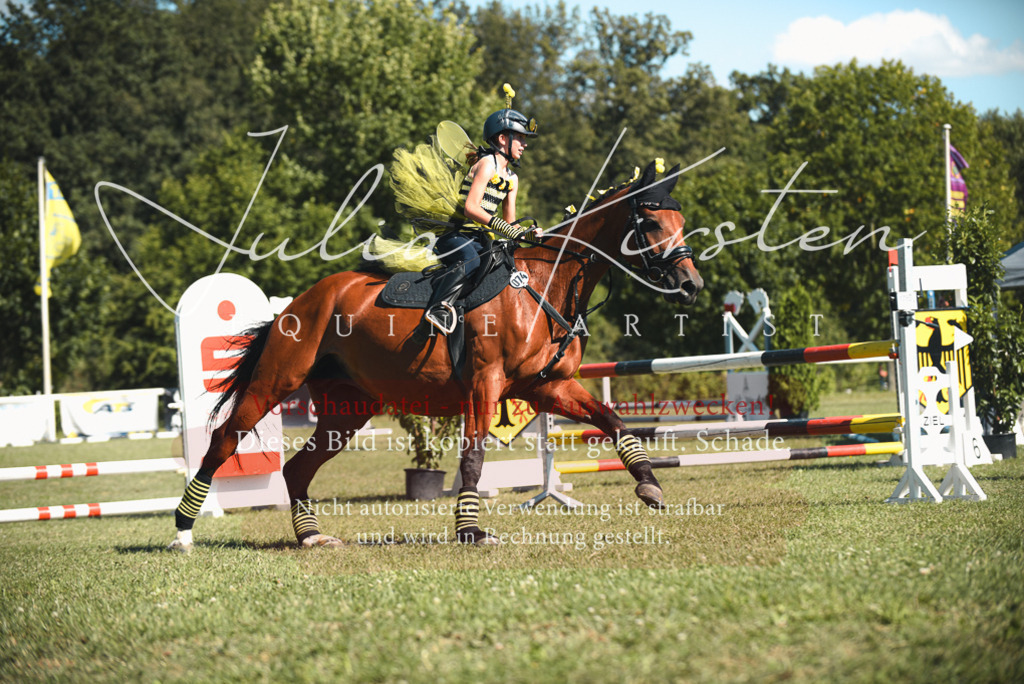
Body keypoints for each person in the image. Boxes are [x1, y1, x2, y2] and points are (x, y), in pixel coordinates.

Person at [420, 96, 543, 334]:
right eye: (519, 138)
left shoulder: (512, 179)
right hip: (455, 233)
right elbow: (471, 208)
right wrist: (505, 229)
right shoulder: (486, 164)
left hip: (480, 238)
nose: (524, 144)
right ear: (502, 138)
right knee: (472, 261)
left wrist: (528, 234)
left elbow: (510, 224)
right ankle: (438, 308)